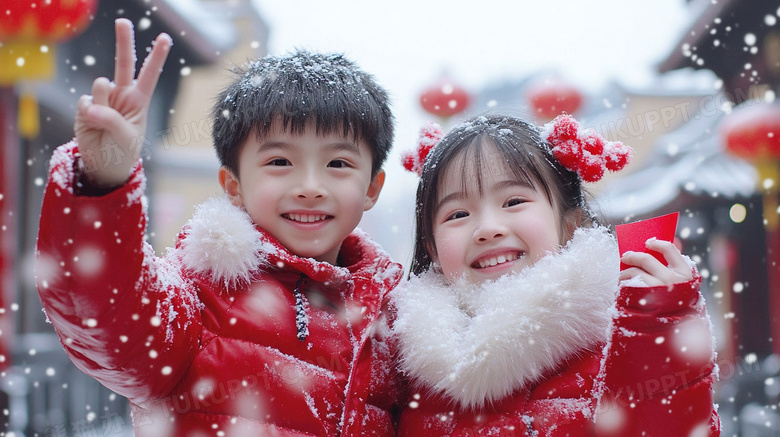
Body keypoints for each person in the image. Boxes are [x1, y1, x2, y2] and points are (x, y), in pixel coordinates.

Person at [35, 18, 404, 436]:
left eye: (338, 164)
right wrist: (103, 184)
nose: (310, 188)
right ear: (233, 184)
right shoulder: (198, 291)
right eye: (280, 162)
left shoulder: (393, 319)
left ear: (372, 187)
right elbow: (108, 320)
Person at [392, 114, 721, 436]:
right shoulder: (401, 360)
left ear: (569, 224)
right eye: (458, 213)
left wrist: (658, 327)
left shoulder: (622, 335)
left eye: (514, 200)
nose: (488, 229)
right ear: (431, 246)